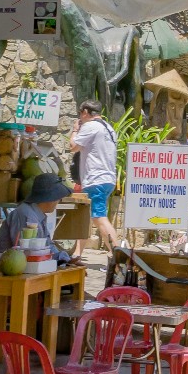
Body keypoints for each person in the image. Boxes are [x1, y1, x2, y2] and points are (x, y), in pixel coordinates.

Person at [71, 100, 121, 266]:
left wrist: (75, 130)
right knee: (88, 216)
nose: (80, 117)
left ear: (85, 112)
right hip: (107, 178)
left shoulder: (89, 127)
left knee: (99, 217)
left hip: (95, 179)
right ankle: (77, 254)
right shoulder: (109, 128)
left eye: (80, 113)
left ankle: (118, 255)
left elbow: (73, 147)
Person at [0, 172, 74, 261]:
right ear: (50, 199)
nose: (58, 201)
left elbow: (48, 246)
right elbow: (27, 253)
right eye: (58, 198)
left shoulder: (38, 215)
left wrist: (67, 259)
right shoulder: (26, 216)